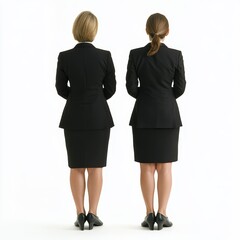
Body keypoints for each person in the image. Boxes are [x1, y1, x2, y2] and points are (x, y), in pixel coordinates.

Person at [56, 11, 116, 230]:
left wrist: (77, 96)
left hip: (73, 117)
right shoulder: (105, 56)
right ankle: (93, 213)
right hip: (99, 117)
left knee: (76, 166)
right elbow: (111, 89)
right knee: (96, 167)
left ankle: (79, 214)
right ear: (94, 30)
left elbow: (61, 89)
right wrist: (95, 98)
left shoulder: (65, 56)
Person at [126, 13, 186, 230]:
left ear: (147, 30)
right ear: (167, 31)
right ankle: (162, 214)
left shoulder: (135, 55)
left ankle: (149, 214)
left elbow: (132, 88)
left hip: (143, 116)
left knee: (147, 168)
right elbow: (179, 88)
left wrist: (148, 93)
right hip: (168, 116)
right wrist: (163, 95)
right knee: (165, 168)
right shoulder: (176, 55)